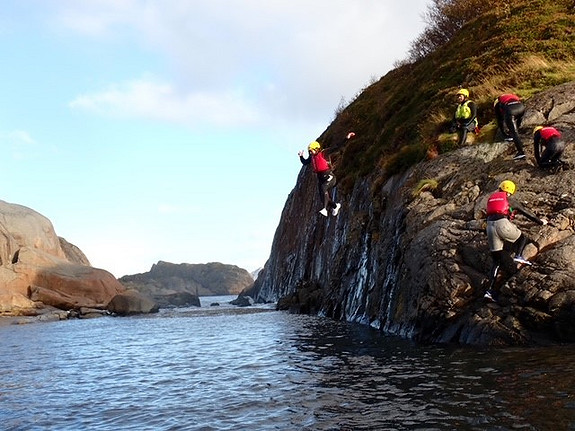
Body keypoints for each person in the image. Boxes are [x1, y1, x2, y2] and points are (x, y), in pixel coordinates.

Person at [484, 180, 547, 302]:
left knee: (496, 260)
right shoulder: (509, 199)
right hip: (502, 223)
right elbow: (525, 212)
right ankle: (519, 256)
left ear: (500, 188)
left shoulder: (491, 198)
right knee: (522, 238)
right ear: (510, 191)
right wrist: (540, 222)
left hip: (489, 226)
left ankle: (489, 292)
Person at [299, 141, 341, 217]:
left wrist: (346, 138)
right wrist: (301, 156)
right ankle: (335, 206)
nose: (310, 153)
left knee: (323, 188)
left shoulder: (324, 153)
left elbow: (337, 146)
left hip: (329, 176)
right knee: (323, 198)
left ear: (316, 149)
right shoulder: (312, 157)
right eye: (309, 151)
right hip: (321, 178)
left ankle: (325, 209)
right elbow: (305, 162)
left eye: (311, 151)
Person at [493, 93, 526, 160]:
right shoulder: (510, 96)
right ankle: (515, 133)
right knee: (516, 125)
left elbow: (500, 120)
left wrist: (504, 134)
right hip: (521, 107)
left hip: (511, 110)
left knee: (514, 133)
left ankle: (521, 152)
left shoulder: (498, 103)